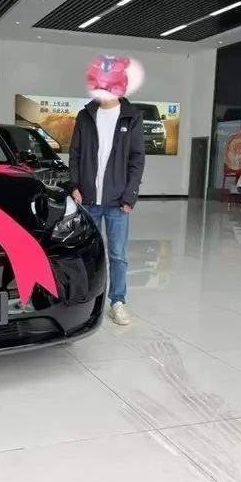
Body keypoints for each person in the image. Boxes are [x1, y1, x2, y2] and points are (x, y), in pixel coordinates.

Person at [68, 97, 145, 326]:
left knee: (118, 255)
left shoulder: (131, 116)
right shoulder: (85, 115)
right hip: (87, 199)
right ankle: (86, 301)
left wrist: (130, 196)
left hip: (118, 202)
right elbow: (75, 154)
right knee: (85, 254)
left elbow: (137, 159)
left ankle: (117, 302)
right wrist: (74, 186)